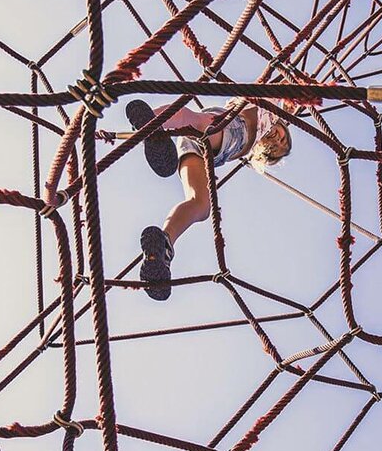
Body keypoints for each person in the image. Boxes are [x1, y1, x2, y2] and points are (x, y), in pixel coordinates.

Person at [125, 97, 293, 301]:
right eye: (283, 139)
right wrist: (295, 99)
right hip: (229, 126)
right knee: (198, 122)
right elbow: (289, 87)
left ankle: (163, 246)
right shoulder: (271, 110)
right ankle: (153, 122)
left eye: (275, 149)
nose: (277, 141)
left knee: (201, 204)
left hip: (205, 153)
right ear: (284, 125)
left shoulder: (254, 144)